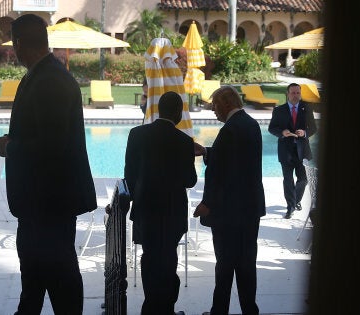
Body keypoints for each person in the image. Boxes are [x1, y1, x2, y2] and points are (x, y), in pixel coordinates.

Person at [0, 14, 97, 314]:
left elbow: (54, 146)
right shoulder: (42, 75)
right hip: (40, 203)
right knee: (35, 276)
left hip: (48, 203)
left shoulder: (50, 79)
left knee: (59, 278)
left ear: (19, 44)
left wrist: (12, 147)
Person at [193, 86, 266, 315]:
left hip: (229, 214)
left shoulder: (230, 130)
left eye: (214, 106)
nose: (213, 111)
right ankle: (249, 310)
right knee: (246, 265)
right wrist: (206, 151)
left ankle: (219, 311)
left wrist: (207, 203)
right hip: (249, 210)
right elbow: (236, 161)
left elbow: (220, 174)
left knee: (224, 266)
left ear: (225, 104)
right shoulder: (251, 125)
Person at [124, 91, 197, 315]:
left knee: (149, 258)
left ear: (158, 109)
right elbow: (190, 180)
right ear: (178, 113)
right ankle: (165, 308)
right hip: (173, 213)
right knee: (168, 260)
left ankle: (151, 307)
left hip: (146, 210)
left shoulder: (137, 135)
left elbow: (129, 175)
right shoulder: (185, 141)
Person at [268, 83, 317, 219]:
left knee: (303, 179)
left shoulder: (306, 108)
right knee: (288, 180)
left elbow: (313, 128)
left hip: (302, 150)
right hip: (286, 150)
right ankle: (290, 207)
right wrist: (282, 132)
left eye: (297, 93)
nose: (295, 96)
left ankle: (296, 200)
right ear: (287, 94)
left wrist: (304, 132)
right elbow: (272, 128)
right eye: (293, 93)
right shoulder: (279, 110)